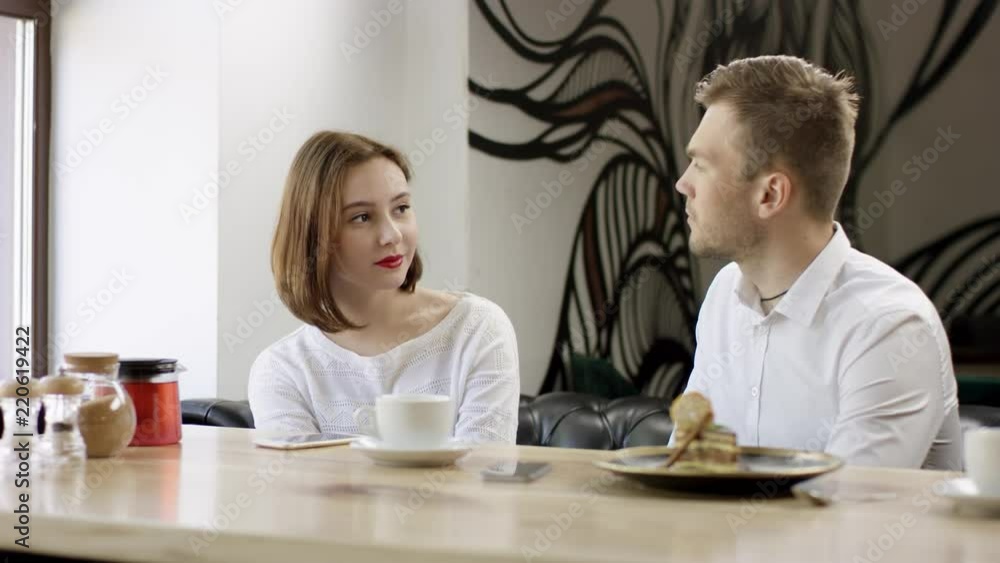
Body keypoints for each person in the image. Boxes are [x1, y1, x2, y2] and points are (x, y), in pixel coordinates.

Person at [671, 55, 961, 469]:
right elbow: (685, 470)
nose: (684, 183)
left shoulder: (888, 326)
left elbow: (846, 516)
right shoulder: (724, 296)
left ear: (770, 195)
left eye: (701, 164)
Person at [248, 131, 520, 444]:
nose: (392, 235)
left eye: (401, 208)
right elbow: (304, 489)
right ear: (314, 235)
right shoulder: (282, 370)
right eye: (362, 217)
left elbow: (486, 477)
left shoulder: (477, 329)